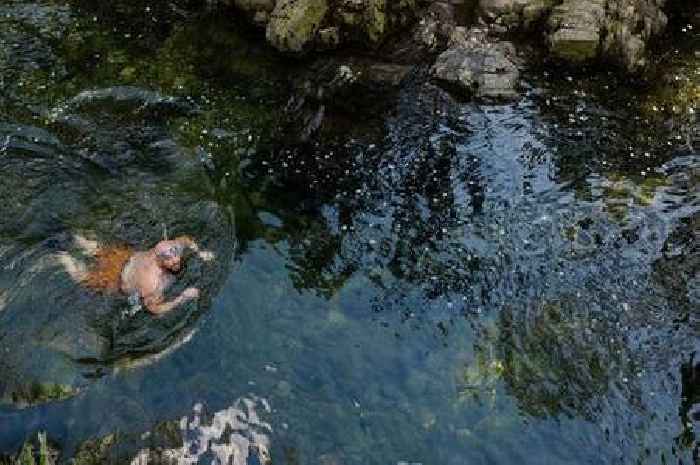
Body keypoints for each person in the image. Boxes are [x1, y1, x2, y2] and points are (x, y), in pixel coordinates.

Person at [59, 235, 214, 315]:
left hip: (124, 258)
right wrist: (182, 298)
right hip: (115, 281)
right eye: (170, 261)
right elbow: (154, 309)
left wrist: (200, 252)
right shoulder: (153, 283)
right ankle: (58, 254)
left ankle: (70, 236)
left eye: (176, 257)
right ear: (159, 259)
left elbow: (185, 239)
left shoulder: (166, 248)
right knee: (83, 276)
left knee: (97, 250)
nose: (176, 262)